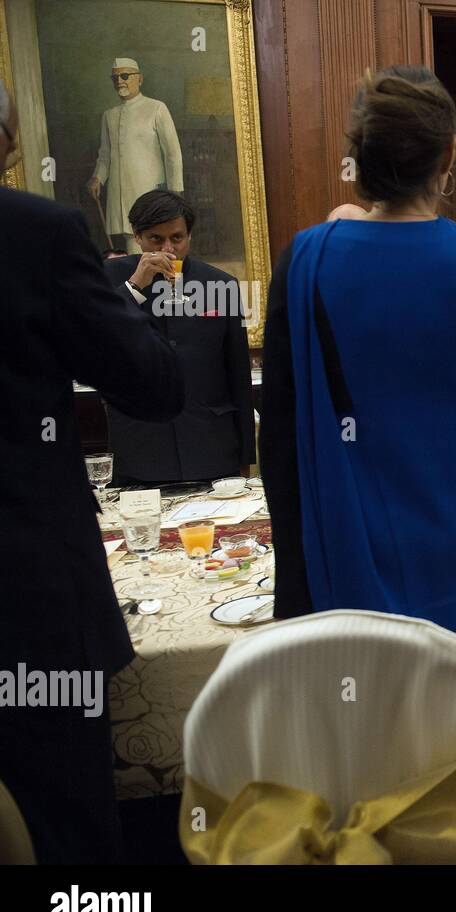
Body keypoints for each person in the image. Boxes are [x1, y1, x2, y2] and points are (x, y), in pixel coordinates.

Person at [260, 66, 456, 691]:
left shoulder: (305, 259)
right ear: (448, 154)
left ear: (356, 158)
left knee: (360, 742)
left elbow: (278, 431)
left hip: (342, 549)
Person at [0, 81, 185, 863]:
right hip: (25, 603)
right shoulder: (33, 233)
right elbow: (151, 384)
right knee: (67, 833)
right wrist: (132, 300)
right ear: (8, 142)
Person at [102, 189, 255, 485]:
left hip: (212, 446)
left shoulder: (220, 284)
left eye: (177, 238)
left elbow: (238, 374)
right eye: (156, 239)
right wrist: (135, 286)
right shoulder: (109, 278)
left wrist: (246, 455)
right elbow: (95, 339)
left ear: (189, 236)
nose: (168, 249)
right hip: (140, 448)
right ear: (137, 236)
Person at [87, 58, 184, 250]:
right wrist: (98, 178)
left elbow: (172, 153)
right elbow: (105, 154)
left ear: (139, 79)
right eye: (115, 77)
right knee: (131, 242)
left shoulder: (157, 108)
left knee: (156, 240)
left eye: (124, 76)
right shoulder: (109, 115)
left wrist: (175, 191)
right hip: (120, 192)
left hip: (150, 189)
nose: (119, 81)